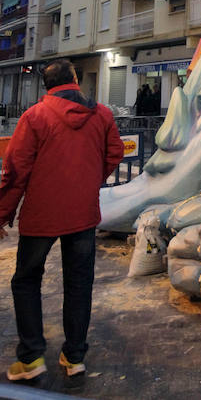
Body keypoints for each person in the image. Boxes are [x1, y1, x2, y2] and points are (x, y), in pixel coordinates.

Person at [0, 58, 124, 382]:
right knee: (79, 284)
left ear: (47, 86)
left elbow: (15, 172)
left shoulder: (34, 117)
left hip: (41, 216)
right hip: (82, 215)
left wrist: (1, 215)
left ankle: (30, 358)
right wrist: (87, 181)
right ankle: (75, 356)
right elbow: (114, 153)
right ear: (75, 81)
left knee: (26, 281)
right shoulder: (103, 115)